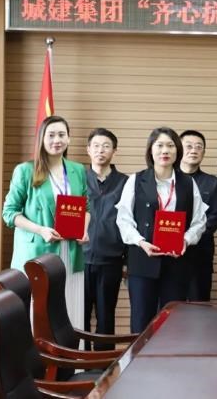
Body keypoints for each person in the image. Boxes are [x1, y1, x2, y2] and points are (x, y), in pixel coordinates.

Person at [116, 127, 207, 332]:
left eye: (170, 146)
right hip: (142, 261)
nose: (165, 150)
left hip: (176, 262)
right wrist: (140, 242)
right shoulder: (136, 180)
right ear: (151, 150)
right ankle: (139, 354)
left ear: (177, 151)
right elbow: (123, 219)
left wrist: (185, 240)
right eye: (159, 145)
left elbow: (199, 220)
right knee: (141, 320)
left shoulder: (188, 182)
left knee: (172, 323)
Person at [2, 115, 88, 330]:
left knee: (69, 309)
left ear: (69, 139)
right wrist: (40, 230)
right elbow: (9, 213)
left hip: (70, 251)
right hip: (38, 252)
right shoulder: (25, 170)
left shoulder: (78, 170)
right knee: (38, 314)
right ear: (41, 138)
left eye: (61, 135)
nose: (56, 140)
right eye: (51, 135)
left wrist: (84, 230)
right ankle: (37, 353)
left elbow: (86, 208)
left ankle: (70, 353)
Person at [84, 128, 128, 350]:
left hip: (111, 260)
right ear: (88, 150)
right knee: (79, 316)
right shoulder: (77, 179)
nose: (100, 150)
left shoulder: (126, 183)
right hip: (79, 259)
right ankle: (77, 362)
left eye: (106, 146)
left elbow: (131, 222)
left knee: (106, 317)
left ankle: (103, 366)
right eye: (96, 146)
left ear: (114, 151)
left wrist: (127, 260)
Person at [180, 130, 217, 302]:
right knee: (168, 306)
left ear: (204, 153)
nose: (194, 150)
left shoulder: (212, 183)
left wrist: (189, 238)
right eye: (188, 146)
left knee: (199, 305)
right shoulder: (167, 180)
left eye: (199, 147)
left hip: (200, 254)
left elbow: (215, 216)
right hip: (169, 256)